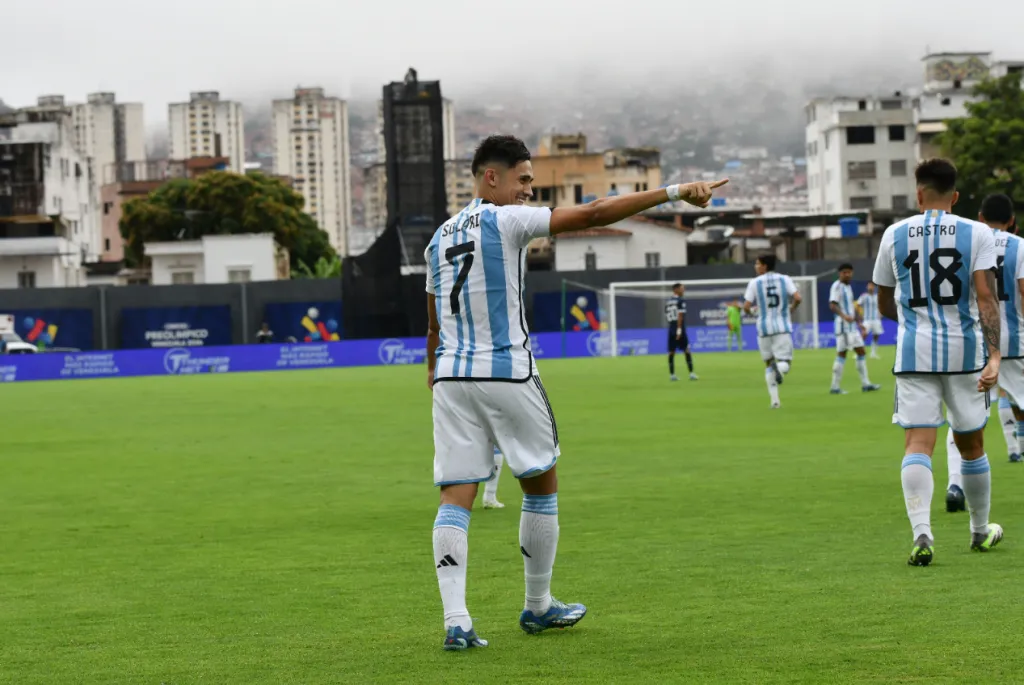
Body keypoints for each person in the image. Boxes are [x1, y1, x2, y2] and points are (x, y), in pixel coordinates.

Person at [425, 134, 726, 650]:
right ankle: (538, 606)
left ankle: (457, 621)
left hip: (450, 377)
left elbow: (431, 324)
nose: (527, 191)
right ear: (489, 177)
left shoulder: (438, 239)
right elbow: (593, 214)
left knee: (456, 496)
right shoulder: (507, 220)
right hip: (507, 371)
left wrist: (435, 377)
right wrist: (673, 191)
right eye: (522, 180)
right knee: (541, 484)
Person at [872, 158, 1003, 567]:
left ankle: (922, 534)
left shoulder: (894, 234)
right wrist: (995, 354)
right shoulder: (978, 232)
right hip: (965, 355)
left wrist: (914, 325)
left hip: (913, 354)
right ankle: (980, 532)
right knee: (971, 444)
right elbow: (985, 298)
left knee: (917, 444)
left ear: (918, 192)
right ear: (956, 196)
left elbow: (882, 299)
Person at [945, 193, 1024, 514]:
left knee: (964, 416)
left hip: (974, 340)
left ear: (979, 216)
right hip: (1015, 341)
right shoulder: (1020, 246)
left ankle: (954, 484)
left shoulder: (968, 241)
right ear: (1012, 221)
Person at [743, 254, 802, 409]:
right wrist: (792, 309)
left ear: (764, 266)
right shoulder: (785, 279)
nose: (755, 267)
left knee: (768, 363)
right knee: (786, 363)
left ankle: (775, 401)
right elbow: (798, 297)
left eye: (757, 264)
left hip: (763, 328)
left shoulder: (754, 283)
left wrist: (754, 313)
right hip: (781, 327)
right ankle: (779, 370)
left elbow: (746, 307)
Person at [828, 263, 881, 394]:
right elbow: (833, 305)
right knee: (842, 353)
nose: (847, 274)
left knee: (861, 352)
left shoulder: (848, 287)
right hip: (843, 326)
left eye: (849, 272)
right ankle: (835, 387)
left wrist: (859, 323)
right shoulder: (837, 286)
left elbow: (852, 308)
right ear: (839, 274)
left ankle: (866, 384)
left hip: (851, 327)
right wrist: (844, 316)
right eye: (844, 272)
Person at [666, 284, 697, 381]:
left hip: (671, 327)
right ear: (676, 290)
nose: (683, 290)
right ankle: (691, 373)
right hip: (679, 327)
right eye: (682, 288)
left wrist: (673, 328)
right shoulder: (680, 301)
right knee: (686, 350)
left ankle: (672, 375)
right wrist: (679, 330)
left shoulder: (668, 302)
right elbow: (680, 315)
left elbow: (666, 315)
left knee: (671, 352)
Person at [856, 283, 883, 359]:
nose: (871, 287)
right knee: (864, 335)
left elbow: (881, 305)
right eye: (869, 285)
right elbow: (858, 305)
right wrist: (859, 314)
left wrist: (880, 313)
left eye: (872, 286)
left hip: (876, 320)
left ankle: (873, 353)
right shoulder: (863, 296)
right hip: (867, 320)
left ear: (874, 287)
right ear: (867, 287)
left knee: (876, 336)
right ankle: (859, 352)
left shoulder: (877, 296)